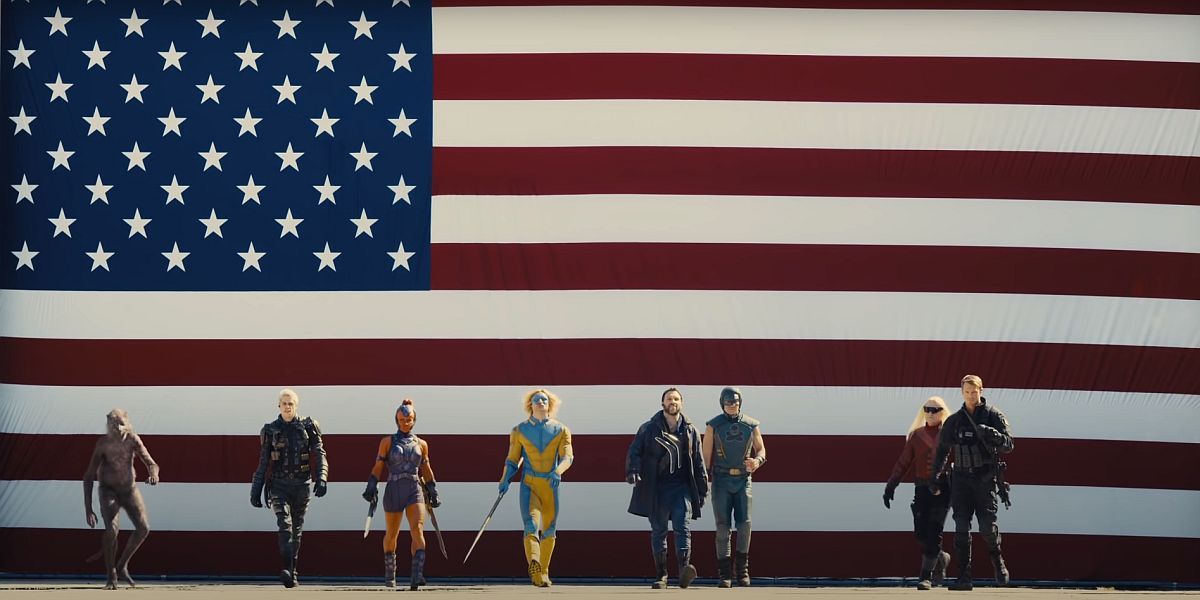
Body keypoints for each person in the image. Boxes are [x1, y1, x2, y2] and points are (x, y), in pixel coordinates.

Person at [932, 375, 1014, 590]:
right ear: (962, 392)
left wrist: (993, 434)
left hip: (984, 479)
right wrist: (935, 477)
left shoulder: (993, 415)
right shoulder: (955, 420)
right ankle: (964, 576)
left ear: (981, 390)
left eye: (974, 391)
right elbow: (942, 451)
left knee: (987, 527)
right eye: (967, 392)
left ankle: (998, 562)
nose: (971, 395)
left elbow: (1009, 444)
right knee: (961, 527)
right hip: (960, 479)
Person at [626, 387, 709, 589]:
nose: (673, 401)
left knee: (683, 528)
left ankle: (683, 571)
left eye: (676, 399)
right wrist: (633, 470)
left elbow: (698, 462)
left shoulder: (690, 430)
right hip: (657, 487)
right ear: (662, 403)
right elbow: (635, 451)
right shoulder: (648, 428)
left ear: (681, 403)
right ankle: (661, 575)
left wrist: (702, 490)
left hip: (682, 487)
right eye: (669, 399)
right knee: (659, 531)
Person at [250, 388, 329, 588]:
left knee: (297, 529)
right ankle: (286, 569)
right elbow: (263, 462)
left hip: (302, 485)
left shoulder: (309, 426)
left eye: (290, 403)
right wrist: (255, 490)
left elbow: (319, 453)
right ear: (279, 405)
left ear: (296, 406)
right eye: (284, 403)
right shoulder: (270, 430)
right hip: (279, 485)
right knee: (285, 526)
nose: (287, 406)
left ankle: (292, 572)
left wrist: (322, 477)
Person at [497, 389, 574, 587]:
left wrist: (559, 471)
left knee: (550, 529)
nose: (540, 401)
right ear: (530, 405)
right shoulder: (519, 430)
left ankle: (543, 573)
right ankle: (535, 562)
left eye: (544, 399)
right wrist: (505, 479)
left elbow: (568, 457)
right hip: (529, 483)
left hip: (550, 484)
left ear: (550, 404)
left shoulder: (561, 430)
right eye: (536, 399)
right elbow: (513, 460)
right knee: (531, 525)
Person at [363, 398, 441, 590]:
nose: (405, 423)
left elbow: (427, 468)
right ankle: (390, 576)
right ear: (396, 420)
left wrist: (432, 489)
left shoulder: (422, 444)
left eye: (409, 420)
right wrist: (371, 485)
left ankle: (417, 575)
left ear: (414, 420)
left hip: (414, 488)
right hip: (394, 488)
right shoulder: (387, 442)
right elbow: (379, 465)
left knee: (418, 529)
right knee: (392, 534)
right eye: (402, 420)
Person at [83, 409, 160, 589]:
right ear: (108, 425)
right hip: (108, 490)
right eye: (113, 424)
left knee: (143, 528)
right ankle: (111, 575)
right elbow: (88, 476)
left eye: (120, 423)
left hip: (129, 489)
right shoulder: (103, 443)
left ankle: (122, 565)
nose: (117, 428)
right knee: (111, 530)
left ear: (127, 422)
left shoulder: (133, 439)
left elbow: (151, 463)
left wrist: (153, 475)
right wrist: (88, 508)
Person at [884, 396, 952, 589]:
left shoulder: (950, 435)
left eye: (935, 409)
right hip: (921, 488)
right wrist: (891, 486)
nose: (931, 413)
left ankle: (925, 577)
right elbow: (903, 462)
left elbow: (961, 462)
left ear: (942, 412)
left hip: (943, 488)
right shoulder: (916, 435)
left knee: (934, 532)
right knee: (921, 532)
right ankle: (941, 557)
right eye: (927, 409)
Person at [702, 387, 766, 587]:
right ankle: (725, 573)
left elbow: (761, 449)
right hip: (721, 479)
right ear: (722, 403)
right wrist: (703, 480)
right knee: (722, 527)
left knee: (745, 525)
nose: (733, 406)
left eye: (736, 402)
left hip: (743, 479)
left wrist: (757, 461)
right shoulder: (714, 425)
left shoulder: (750, 424)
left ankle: (742, 570)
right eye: (729, 402)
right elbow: (705, 457)